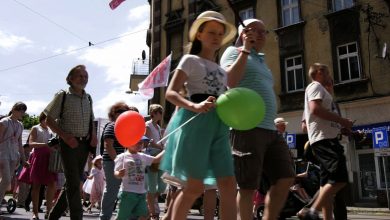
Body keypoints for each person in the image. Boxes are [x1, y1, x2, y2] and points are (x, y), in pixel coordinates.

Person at [161, 10, 238, 220]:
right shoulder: (190, 60)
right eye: (211, 32)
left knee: (229, 185)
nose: (216, 37)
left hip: (220, 126)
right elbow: (170, 92)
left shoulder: (222, 71)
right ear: (199, 35)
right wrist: (193, 106)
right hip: (195, 123)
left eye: (220, 33)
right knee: (194, 187)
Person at [220, 18, 296, 220]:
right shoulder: (233, 52)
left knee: (286, 177)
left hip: (270, 128)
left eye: (264, 31)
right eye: (257, 31)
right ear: (244, 34)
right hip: (246, 127)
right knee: (247, 186)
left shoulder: (261, 59)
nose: (262, 35)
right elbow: (230, 81)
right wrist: (244, 48)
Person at [300, 63, 353, 220]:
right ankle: (311, 211)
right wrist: (342, 120)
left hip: (327, 139)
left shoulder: (326, 96)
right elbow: (315, 110)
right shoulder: (315, 86)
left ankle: (325, 216)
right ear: (320, 73)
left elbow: (325, 118)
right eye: (328, 73)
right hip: (324, 140)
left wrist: (342, 127)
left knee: (326, 185)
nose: (331, 78)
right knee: (340, 179)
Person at [44, 64, 98, 220]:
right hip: (68, 145)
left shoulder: (88, 97)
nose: (84, 79)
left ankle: (53, 217)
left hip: (84, 144)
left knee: (72, 183)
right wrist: (65, 136)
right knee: (74, 183)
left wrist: (93, 135)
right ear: (70, 79)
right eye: (80, 76)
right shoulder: (63, 95)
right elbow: (48, 119)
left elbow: (91, 119)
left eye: (86, 76)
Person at [99, 102, 138, 220]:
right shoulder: (112, 125)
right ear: (114, 113)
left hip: (122, 161)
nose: (123, 113)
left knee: (128, 189)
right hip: (112, 161)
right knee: (112, 189)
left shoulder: (124, 127)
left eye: (125, 111)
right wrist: (118, 161)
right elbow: (108, 145)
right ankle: (105, 217)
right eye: (120, 111)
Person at [114, 136, 164, 220]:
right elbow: (115, 172)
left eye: (141, 142)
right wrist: (119, 173)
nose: (139, 144)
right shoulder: (122, 157)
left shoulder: (142, 156)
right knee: (122, 217)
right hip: (127, 193)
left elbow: (156, 159)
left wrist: (167, 148)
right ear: (128, 143)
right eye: (137, 142)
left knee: (144, 214)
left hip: (141, 193)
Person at [0, 102, 29, 215]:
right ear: (13, 109)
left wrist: (23, 159)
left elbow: (20, 143)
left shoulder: (20, 125)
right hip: (2, 153)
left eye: (23, 110)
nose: (22, 112)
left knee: (7, 181)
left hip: (13, 155)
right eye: (20, 109)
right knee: (6, 179)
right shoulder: (4, 122)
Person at [27, 113, 58, 219]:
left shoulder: (52, 130)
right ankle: (35, 213)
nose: (49, 121)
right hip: (39, 157)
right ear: (42, 119)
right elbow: (31, 144)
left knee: (52, 185)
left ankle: (48, 212)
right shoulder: (35, 128)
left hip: (50, 158)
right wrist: (46, 145)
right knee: (36, 185)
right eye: (47, 119)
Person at [144, 104, 166, 220]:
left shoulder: (157, 127)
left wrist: (163, 146)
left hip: (160, 155)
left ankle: (149, 201)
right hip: (152, 155)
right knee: (152, 186)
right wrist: (160, 146)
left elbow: (159, 142)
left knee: (162, 186)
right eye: (160, 112)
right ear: (154, 113)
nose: (161, 115)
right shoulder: (147, 125)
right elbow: (147, 141)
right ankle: (152, 213)